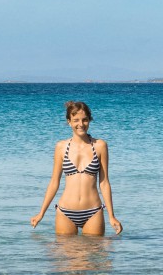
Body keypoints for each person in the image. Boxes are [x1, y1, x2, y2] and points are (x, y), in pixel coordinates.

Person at [30, 101, 122, 236]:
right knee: (67, 257)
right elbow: (54, 182)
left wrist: (111, 216)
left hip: (93, 211)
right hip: (65, 212)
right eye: (76, 120)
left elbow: (104, 182)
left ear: (89, 120)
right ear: (69, 122)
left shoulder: (100, 146)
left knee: (95, 255)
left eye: (85, 120)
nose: (81, 124)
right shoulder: (61, 147)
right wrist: (41, 213)